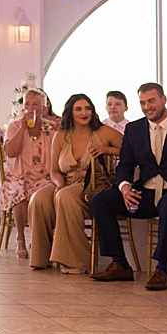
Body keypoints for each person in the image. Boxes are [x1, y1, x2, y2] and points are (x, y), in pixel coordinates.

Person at [90, 83, 167, 290]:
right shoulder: (134, 129)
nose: (147, 107)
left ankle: (162, 270)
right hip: (146, 193)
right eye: (143, 103)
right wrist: (125, 188)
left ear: (163, 99)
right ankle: (120, 263)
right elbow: (126, 165)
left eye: (151, 101)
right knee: (101, 200)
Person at [27, 94, 121, 272]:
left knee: (65, 196)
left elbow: (131, 149)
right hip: (66, 181)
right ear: (70, 112)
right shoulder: (61, 135)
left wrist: (107, 149)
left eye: (87, 108)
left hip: (94, 183)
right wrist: (60, 183)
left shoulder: (103, 131)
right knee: (38, 199)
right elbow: (54, 170)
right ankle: (41, 258)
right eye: (78, 109)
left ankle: (76, 261)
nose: (84, 113)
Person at [0, 88, 58, 259]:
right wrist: (22, 128)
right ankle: (21, 238)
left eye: (36, 104)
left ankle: (42, 236)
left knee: (49, 191)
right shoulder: (15, 125)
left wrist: (61, 132)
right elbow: (10, 152)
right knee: (20, 189)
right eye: (28, 104)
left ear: (44, 107)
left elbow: (60, 152)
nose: (31, 108)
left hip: (44, 175)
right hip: (19, 174)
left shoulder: (50, 127)